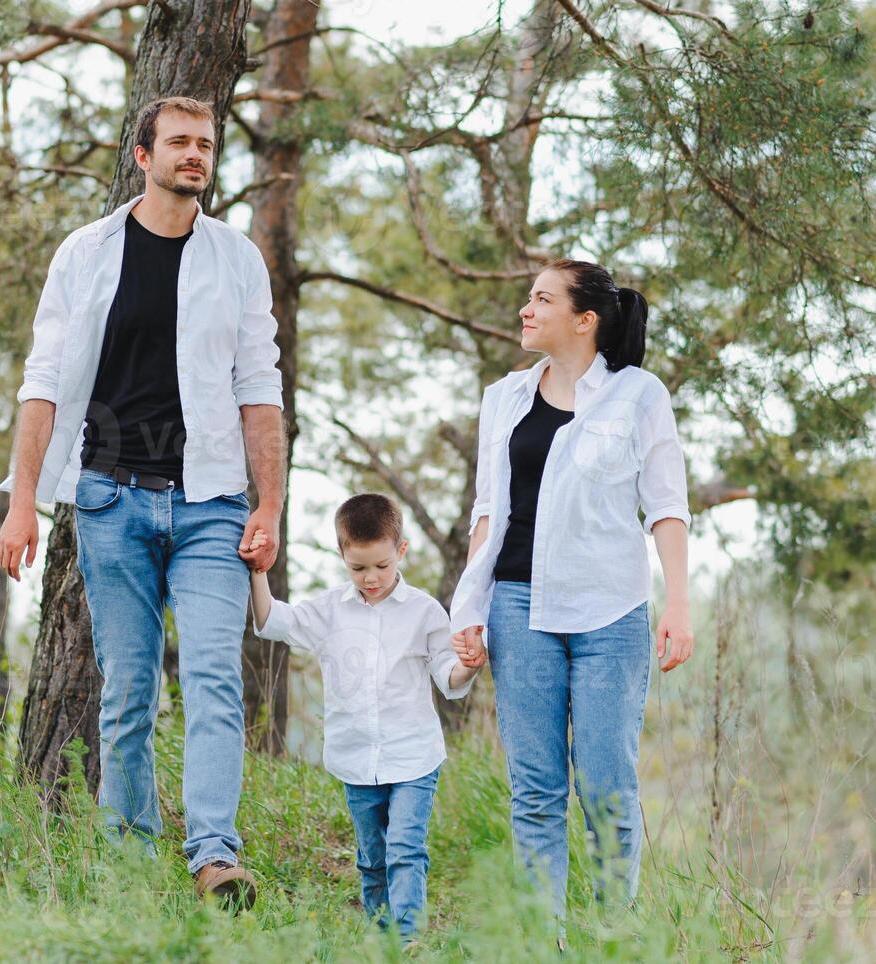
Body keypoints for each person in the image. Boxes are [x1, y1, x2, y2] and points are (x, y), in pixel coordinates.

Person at [0, 96, 285, 910]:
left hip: (212, 504)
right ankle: (126, 858)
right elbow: (43, 384)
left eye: (206, 144)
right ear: (142, 155)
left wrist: (270, 505)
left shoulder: (236, 259)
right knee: (125, 689)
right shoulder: (84, 254)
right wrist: (23, 503)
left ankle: (214, 857)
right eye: (180, 143)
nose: (195, 155)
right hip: (108, 500)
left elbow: (259, 388)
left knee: (213, 680)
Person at [449, 259, 692, 940]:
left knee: (606, 787)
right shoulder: (503, 397)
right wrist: (468, 610)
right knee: (535, 792)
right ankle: (540, 943)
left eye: (541, 299)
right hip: (517, 607)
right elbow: (487, 511)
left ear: (584, 320)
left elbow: (666, 508)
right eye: (529, 298)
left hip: (609, 614)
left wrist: (676, 605)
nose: (526, 310)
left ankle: (614, 937)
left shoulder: (638, 396)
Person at [244, 494, 482, 944]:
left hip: (414, 757)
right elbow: (271, 619)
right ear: (342, 557)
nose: (370, 578)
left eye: (381, 566)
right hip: (356, 757)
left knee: (405, 849)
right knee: (372, 857)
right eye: (358, 568)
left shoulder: (425, 612)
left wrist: (469, 664)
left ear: (402, 552)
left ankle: (409, 940)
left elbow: (449, 676)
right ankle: (380, 936)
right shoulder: (330, 610)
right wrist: (259, 573)